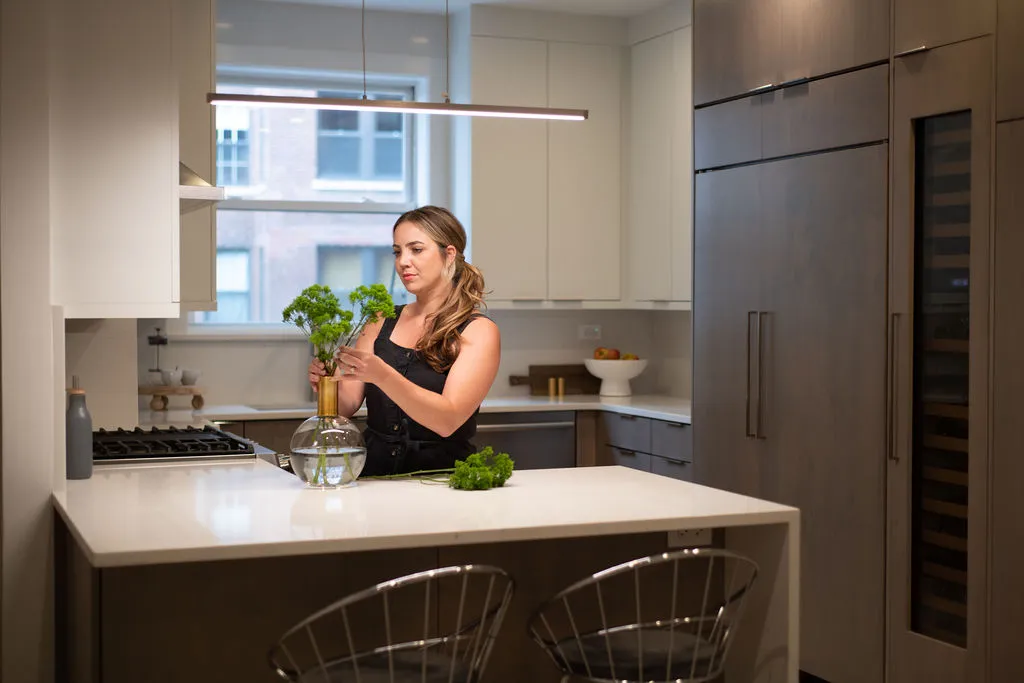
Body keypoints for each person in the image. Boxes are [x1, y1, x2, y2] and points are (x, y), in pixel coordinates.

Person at [307, 205, 500, 477]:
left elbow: (448, 420)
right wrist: (327, 384)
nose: (402, 262)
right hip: (372, 477)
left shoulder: (477, 330)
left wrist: (383, 375)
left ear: (449, 255)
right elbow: (346, 406)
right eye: (398, 252)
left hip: (443, 482)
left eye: (416, 250)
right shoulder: (379, 319)